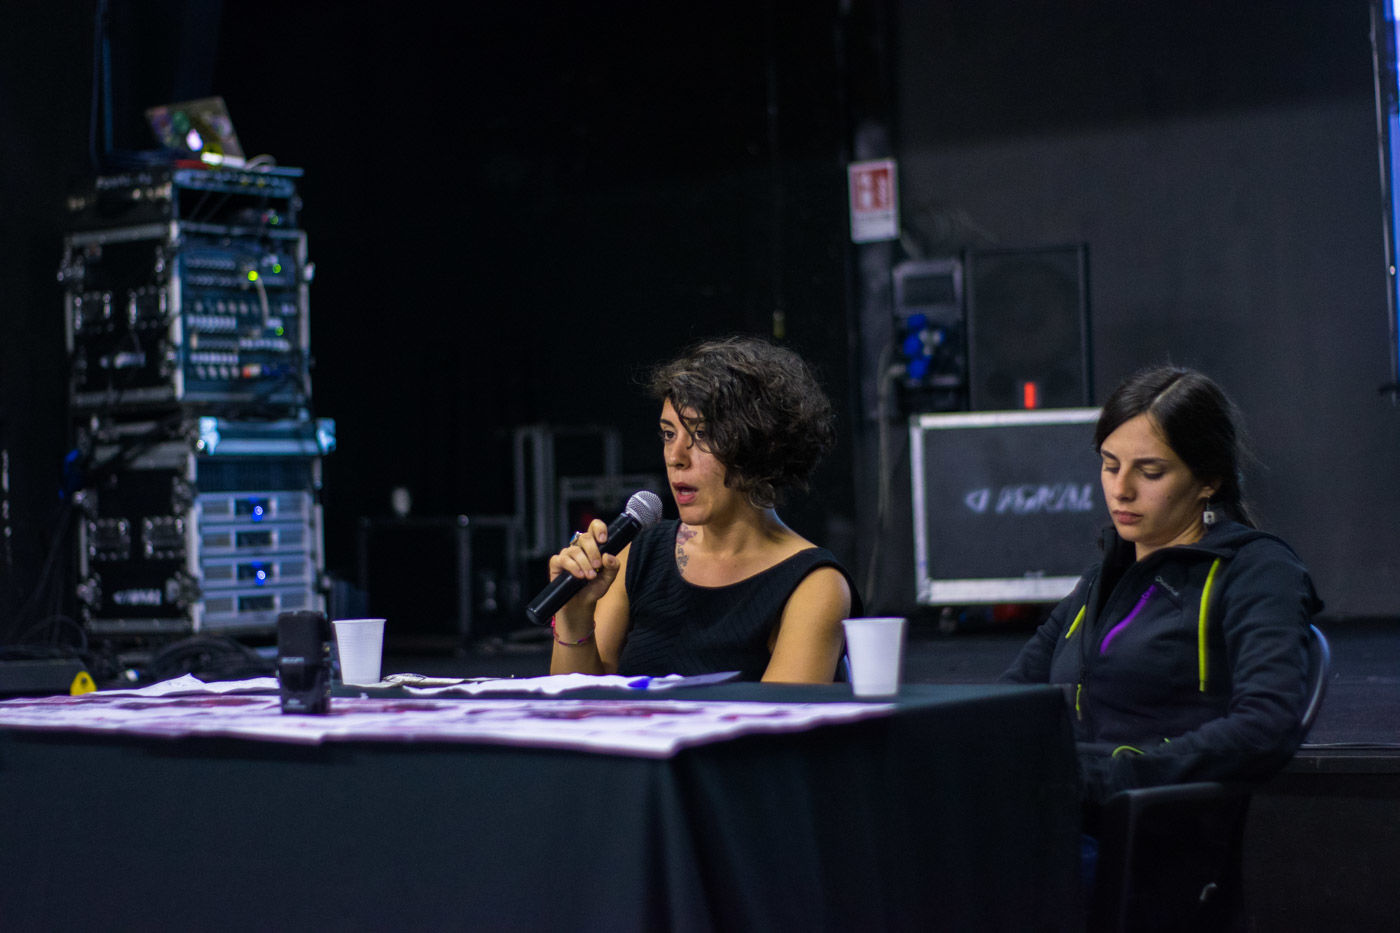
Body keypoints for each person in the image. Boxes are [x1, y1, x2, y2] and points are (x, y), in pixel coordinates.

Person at [1001, 364, 1322, 805]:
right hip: (1063, 815)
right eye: (1110, 466)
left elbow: (1264, 725)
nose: (1121, 490)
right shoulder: (1101, 580)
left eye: (1150, 472)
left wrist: (1107, 780)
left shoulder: (1257, 570)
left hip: (1146, 828)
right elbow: (1008, 700)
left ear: (1208, 480)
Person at [547, 335, 859, 682]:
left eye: (703, 435)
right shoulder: (637, 555)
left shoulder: (814, 584)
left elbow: (779, 729)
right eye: (668, 434)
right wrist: (573, 616)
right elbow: (578, 710)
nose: (675, 457)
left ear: (761, 447)